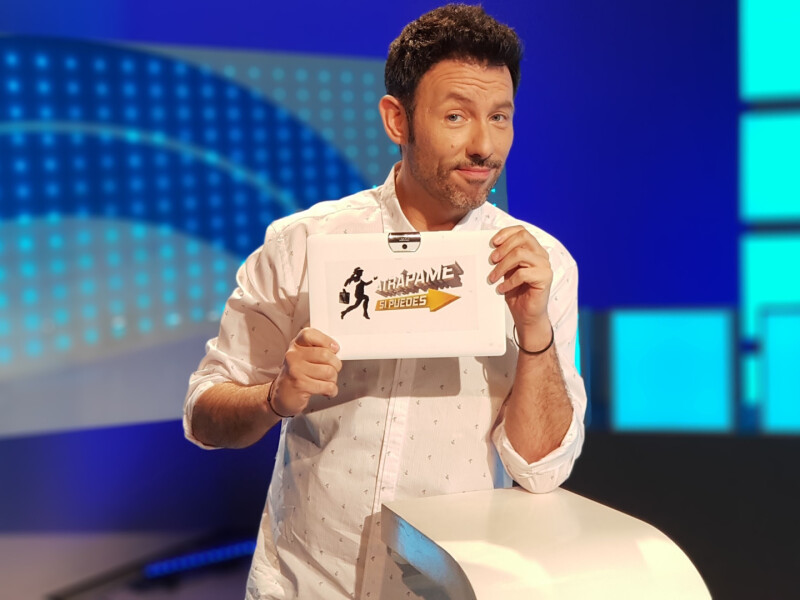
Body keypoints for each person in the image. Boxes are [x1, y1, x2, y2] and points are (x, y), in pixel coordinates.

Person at [184, 4, 586, 599]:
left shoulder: (542, 265)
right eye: (456, 116)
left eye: (500, 117)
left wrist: (534, 333)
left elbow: (542, 468)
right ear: (398, 119)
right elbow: (203, 415)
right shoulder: (302, 243)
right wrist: (274, 397)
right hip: (304, 584)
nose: (484, 145)